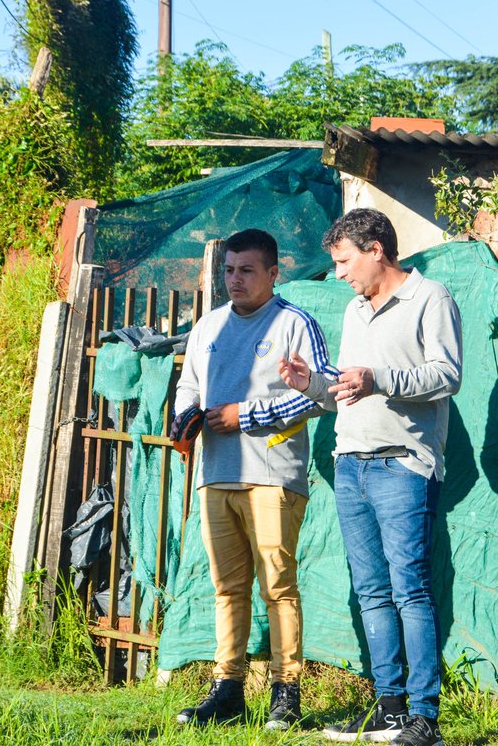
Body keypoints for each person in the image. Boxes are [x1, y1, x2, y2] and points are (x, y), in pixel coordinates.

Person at [280, 209, 462, 746]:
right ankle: (389, 710)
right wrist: (312, 384)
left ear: (376, 249)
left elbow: (447, 375)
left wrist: (378, 377)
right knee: (372, 592)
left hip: (403, 462)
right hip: (351, 463)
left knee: (411, 591)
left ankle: (424, 719)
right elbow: (348, 391)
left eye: (343, 261)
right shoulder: (356, 311)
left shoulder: (432, 299)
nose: (338, 274)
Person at [173, 228, 336, 730]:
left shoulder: (296, 324)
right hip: (217, 473)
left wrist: (244, 415)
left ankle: (286, 693)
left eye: (246, 270)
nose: (235, 280)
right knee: (227, 588)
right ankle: (228, 690)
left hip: (273, 474)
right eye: (228, 270)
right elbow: (189, 384)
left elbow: (321, 394)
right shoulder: (208, 327)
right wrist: (184, 419)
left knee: (278, 586)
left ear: (272, 273)